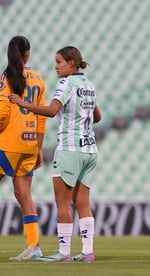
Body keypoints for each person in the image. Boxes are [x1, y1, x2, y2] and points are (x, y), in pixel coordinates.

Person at [9, 46, 102, 263]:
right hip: (90, 150)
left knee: (63, 202)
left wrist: (23, 103)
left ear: (72, 63)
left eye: (59, 62)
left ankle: (64, 252)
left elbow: (51, 111)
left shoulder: (66, 83)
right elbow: (97, 116)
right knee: (83, 203)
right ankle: (87, 252)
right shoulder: (88, 85)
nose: (55, 66)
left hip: (70, 149)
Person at [0, 35, 46, 261]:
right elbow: (41, 117)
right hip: (29, 145)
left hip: (7, 144)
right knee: (23, 194)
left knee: (22, 193)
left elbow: (2, 113)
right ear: (27, 53)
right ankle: (34, 246)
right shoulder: (38, 79)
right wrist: (38, 148)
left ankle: (34, 247)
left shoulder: (6, 77)